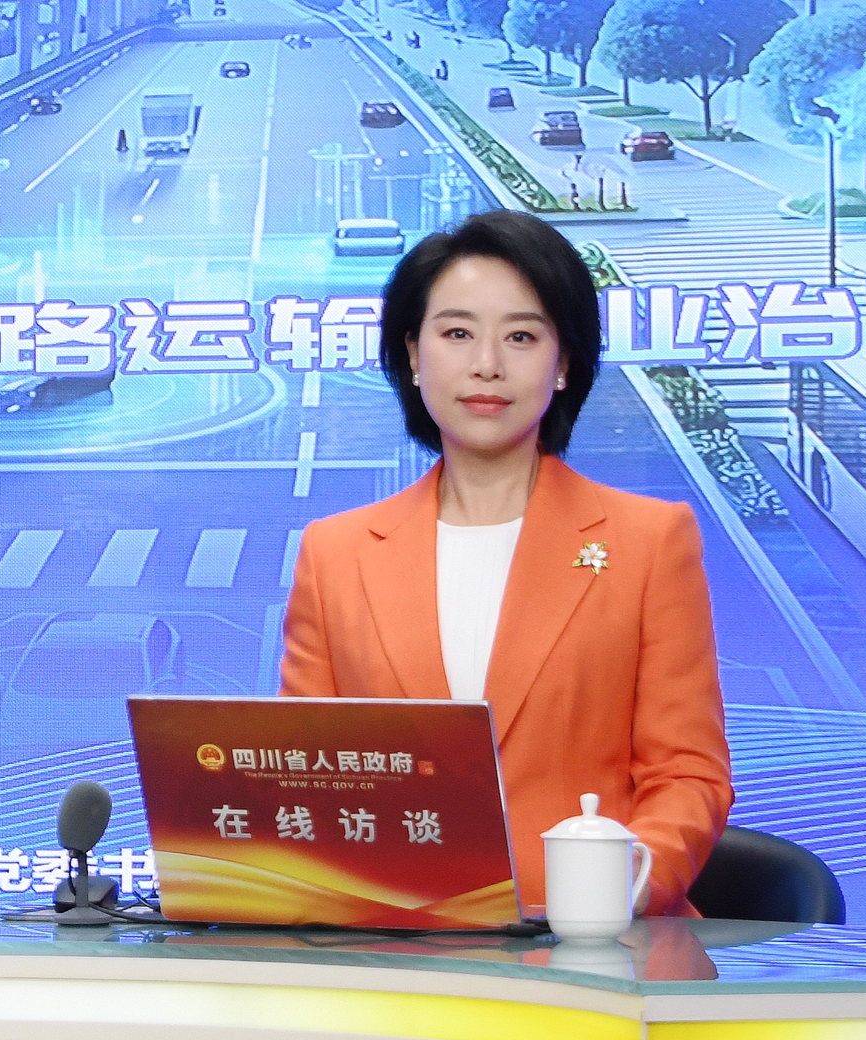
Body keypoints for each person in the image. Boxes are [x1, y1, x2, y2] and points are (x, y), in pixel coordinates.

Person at [279, 209, 730, 916]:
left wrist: (619, 893)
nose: (487, 363)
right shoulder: (336, 553)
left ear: (564, 363)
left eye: (521, 336)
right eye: (457, 333)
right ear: (413, 354)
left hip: (599, 943)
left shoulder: (649, 541)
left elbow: (687, 772)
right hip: (394, 945)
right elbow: (306, 781)